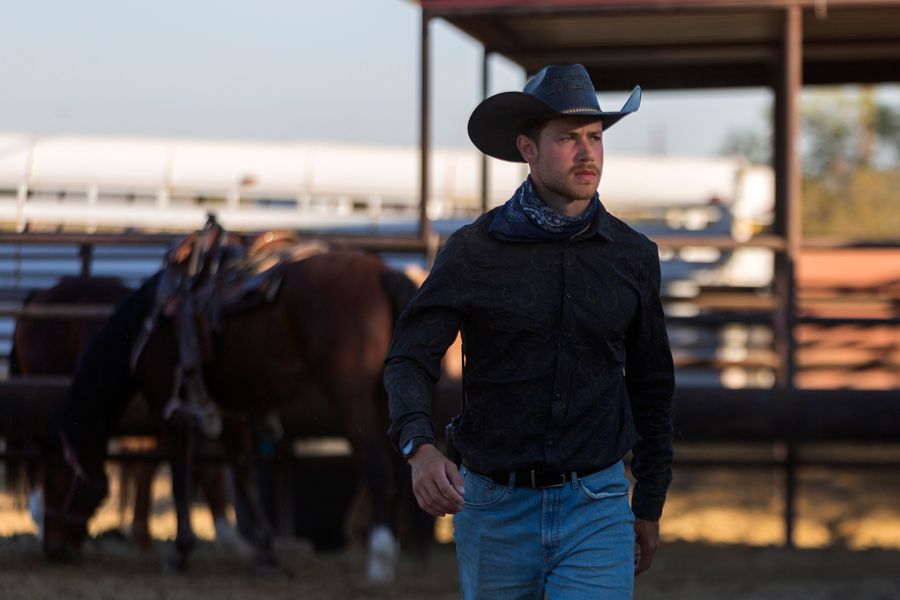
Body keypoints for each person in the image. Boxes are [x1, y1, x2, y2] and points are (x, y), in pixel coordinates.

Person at [384, 64, 675, 599]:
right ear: (528, 150)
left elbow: (652, 384)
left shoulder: (633, 256)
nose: (587, 152)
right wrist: (419, 447)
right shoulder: (474, 251)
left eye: (594, 137)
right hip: (494, 506)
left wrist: (649, 501)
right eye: (567, 138)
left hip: (597, 503)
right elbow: (409, 356)